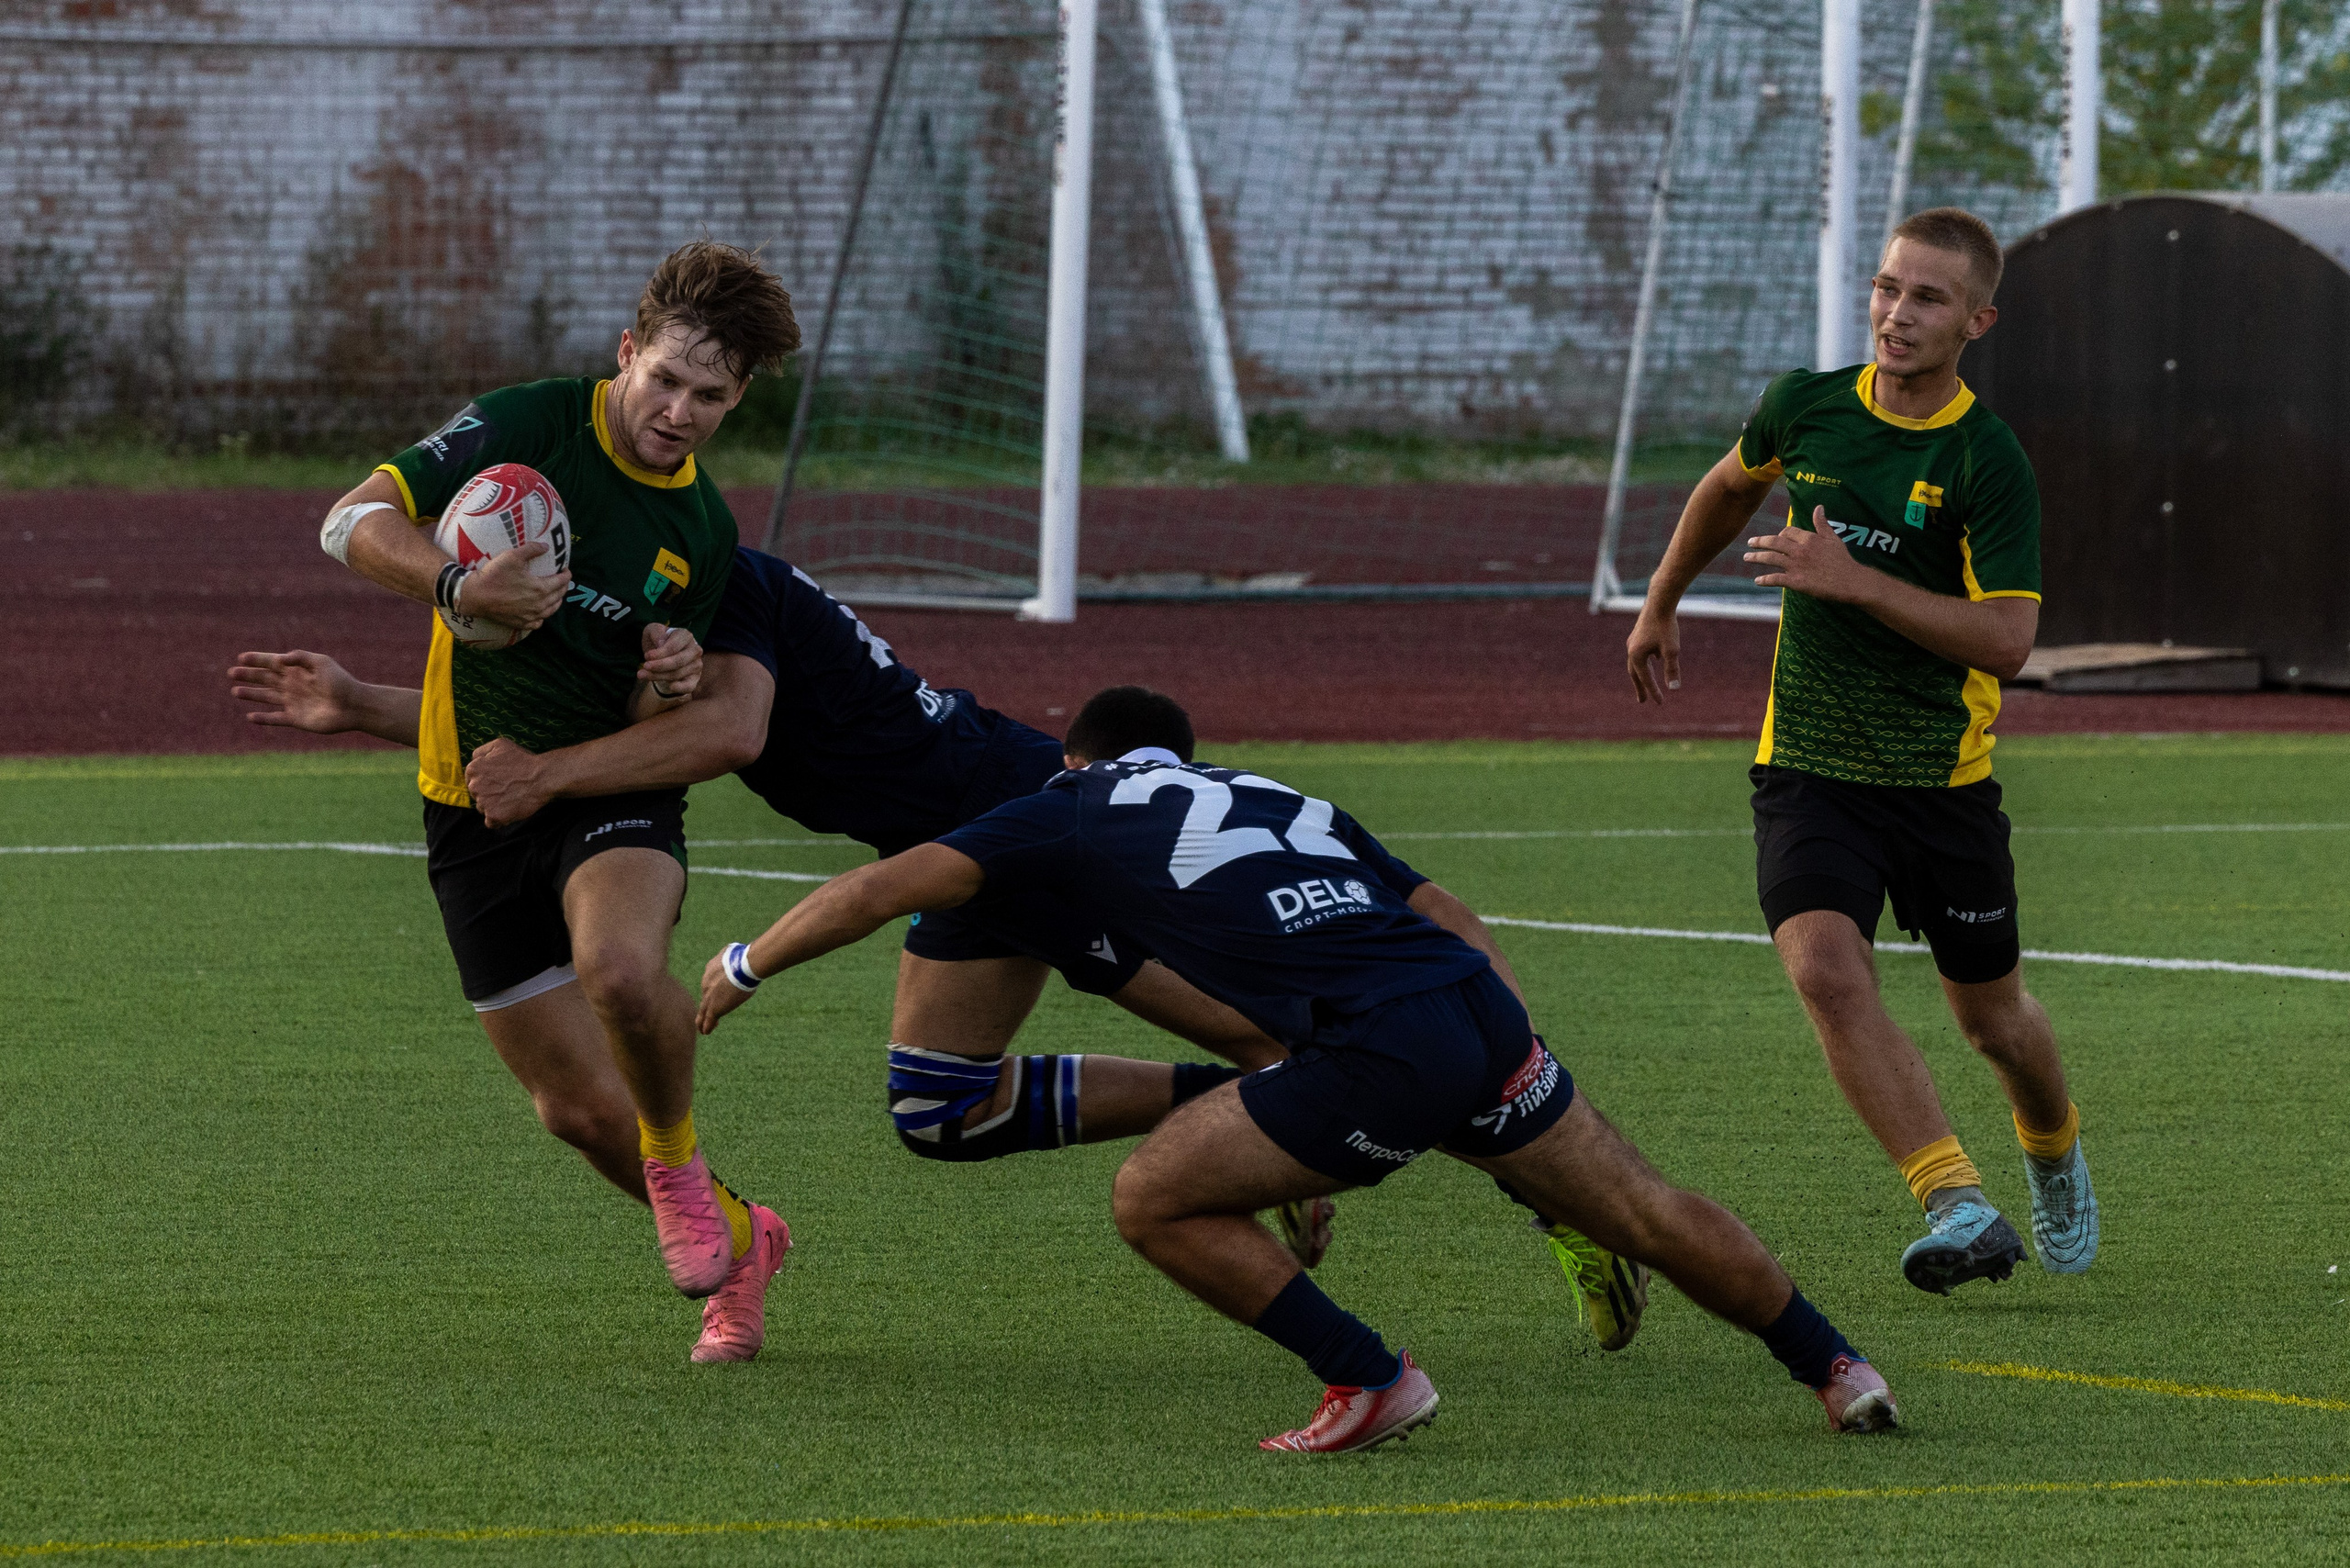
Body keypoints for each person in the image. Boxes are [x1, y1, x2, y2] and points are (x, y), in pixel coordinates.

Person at [234, 564, 1645, 1354]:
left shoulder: (719, 600)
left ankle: (1549, 1191)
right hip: (982, 845)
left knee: (1298, 1041)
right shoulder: (648, 621)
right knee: (940, 1113)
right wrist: (369, 703)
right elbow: (594, 741)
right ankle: (1276, 1121)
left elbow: (705, 741)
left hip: (1046, 832)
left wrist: (736, 960)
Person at [695, 686, 1895, 1451]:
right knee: (1648, 1208)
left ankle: (1368, 1380)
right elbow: (1455, 911)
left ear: (1072, 755)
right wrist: (1510, 1048)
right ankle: (1838, 1370)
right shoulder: (1280, 793)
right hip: (1468, 1009)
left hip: (1374, 1049)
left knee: (1151, 1198)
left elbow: (878, 887)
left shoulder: (1067, 808)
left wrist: (747, 962)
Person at [310, 241, 803, 1350]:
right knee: (577, 1113)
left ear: (737, 400)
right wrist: (453, 581)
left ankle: (677, 1159)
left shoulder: (703, 534)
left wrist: (663, 679)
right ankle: (742, 1236)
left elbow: (653, 728)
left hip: (598, 798)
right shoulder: (527, 423)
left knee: (622, 971)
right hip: (468, 806)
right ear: (626, 353)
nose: (678, 410)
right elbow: (347, 522)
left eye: (709, 396)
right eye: (664, 378)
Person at [1622, 207, 2097, 1294]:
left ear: (1976, 320)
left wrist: (1856, 582)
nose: (1896, 312)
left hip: (1940, 782)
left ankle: (2053, 1149)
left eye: (1927, 297)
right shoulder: (1807, 404)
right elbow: (1729, 485)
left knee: (1995, 1023)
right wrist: (1660, 599)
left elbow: (2010, 640)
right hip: (1809, 768)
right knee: (1825, 968)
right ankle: (1957, 1202)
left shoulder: (1987, 460)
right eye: (1887, 287)